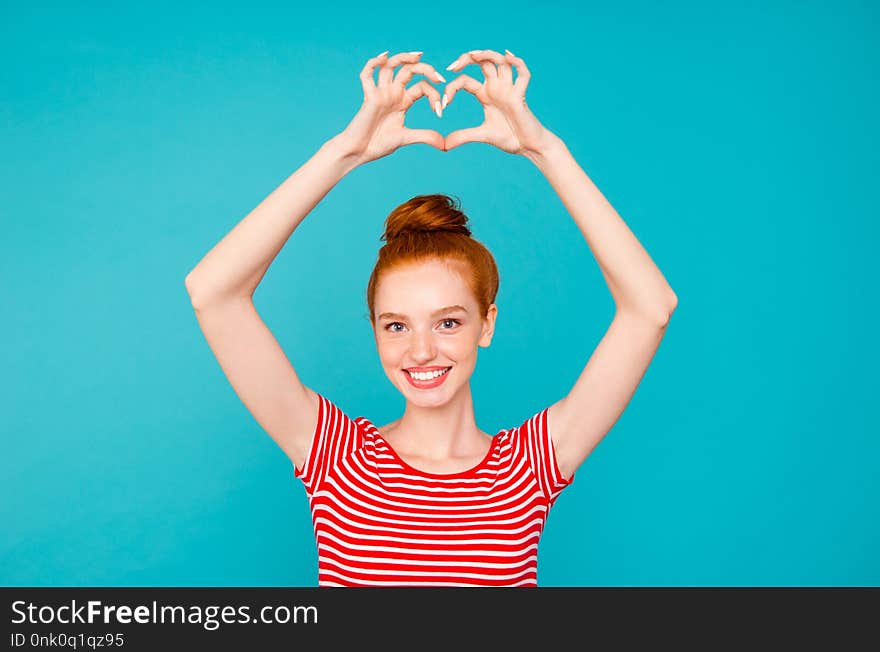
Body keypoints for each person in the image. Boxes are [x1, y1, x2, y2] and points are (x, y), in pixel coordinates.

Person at [185, 48, 678, 586]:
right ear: (374, 330)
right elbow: (213, 291)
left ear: (486, 324)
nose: (420, 351)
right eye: (396, 325)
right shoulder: (335, 459)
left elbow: (650, 308)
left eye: (448, 322)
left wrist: (544, 150)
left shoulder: (529, 467)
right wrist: (344, 153)